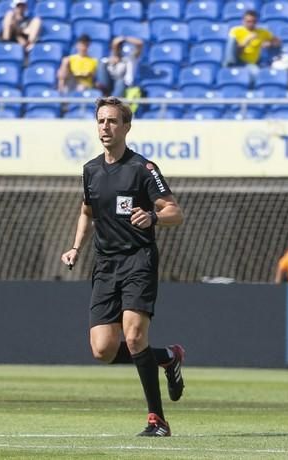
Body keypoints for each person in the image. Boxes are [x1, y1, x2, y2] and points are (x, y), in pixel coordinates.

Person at [60, 97, 185, 437]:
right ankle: (166, 357)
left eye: (113, 121)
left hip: (138, 260)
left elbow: (175, 211)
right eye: (101, 121)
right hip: (105, 264)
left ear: (126, 127)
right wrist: (75, 248)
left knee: (133, 337)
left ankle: (157, 420)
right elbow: (87, 212)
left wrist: (154, 216)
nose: (105, 127)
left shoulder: (143, 169)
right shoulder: (90, 170)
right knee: (103, 349)